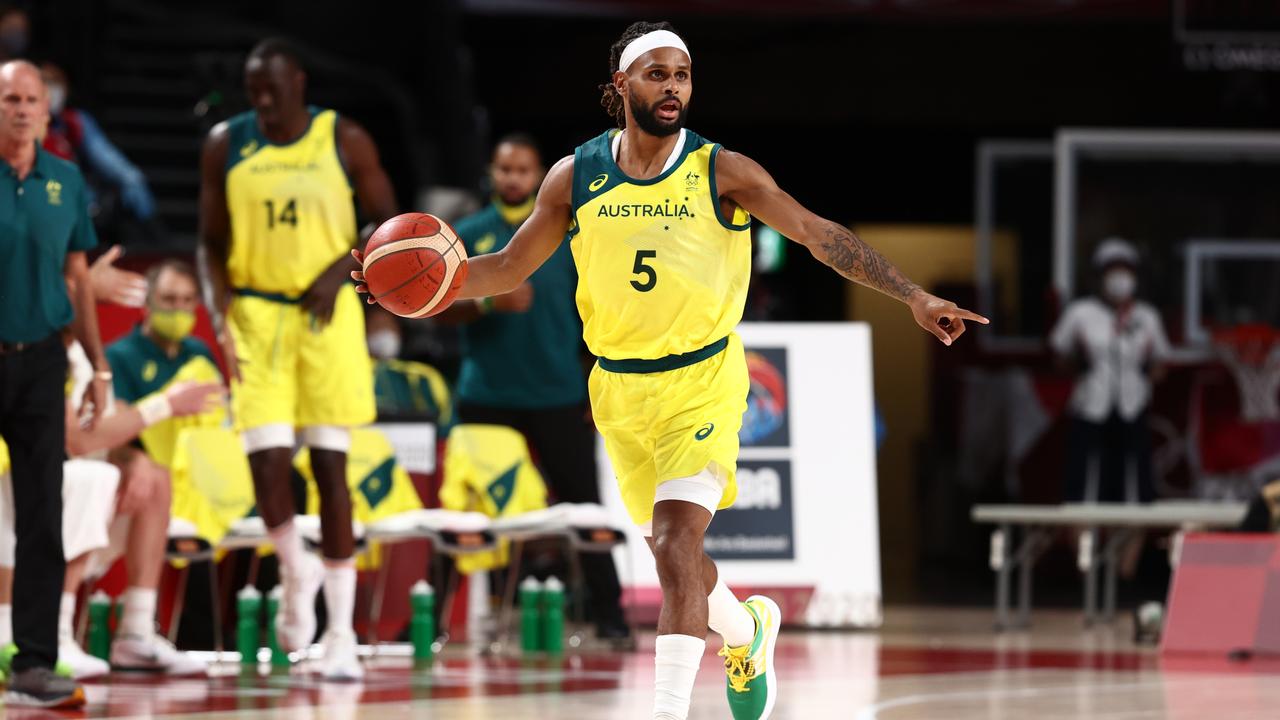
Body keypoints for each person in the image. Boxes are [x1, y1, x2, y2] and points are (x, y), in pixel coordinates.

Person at [354, 22, 985, 720]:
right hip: (618, 388)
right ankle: (747, 631)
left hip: (702, 380)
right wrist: (408, 291)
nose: (674, 87)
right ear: (621, 85)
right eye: (657, 74)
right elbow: (504, 268)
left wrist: (913, 295)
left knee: (679, 540)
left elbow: (817, 234)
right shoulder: (576, 175)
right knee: (669, 552)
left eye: (683, 74)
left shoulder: (723, 171)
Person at [196, 37, 397, 680]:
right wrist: (217, 302)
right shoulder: (227, 144)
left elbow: (389, 225)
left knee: (332, 472)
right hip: (255, 317)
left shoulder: (345, 139)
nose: (263, 101)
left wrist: (344, 268)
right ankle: (293, 563)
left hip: (326, 318)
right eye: (253, 90)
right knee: (267, 462)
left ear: (299, 84)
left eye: (273, 89)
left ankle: (339, 633)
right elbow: (209, 242)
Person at [435, 133, 629, 640]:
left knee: (585, 508)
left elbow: (598, 314)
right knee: (463, 511)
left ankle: (610, 617)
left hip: (558, 393)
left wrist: (596, 383)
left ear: (540, 174)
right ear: (491, 174)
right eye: (505, 169)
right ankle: (430, 621)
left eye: (523, 169)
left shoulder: (567, 234)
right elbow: (435, 308)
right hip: (485, 397)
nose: (513, 178)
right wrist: (486, 303)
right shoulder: (468, 233)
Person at [0, 333, 221, 680]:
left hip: (52, 485)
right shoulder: (31, 344)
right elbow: (76, 437)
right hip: (16, 477)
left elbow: (104, 430)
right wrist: (166, 404)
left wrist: (133, 457)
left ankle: (136, 630)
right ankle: (52, 633)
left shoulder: (88, 355)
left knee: (153, 478)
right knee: (93, 479)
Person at [0, 58, 110, 709]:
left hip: (42, 359)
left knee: (44, 512)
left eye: (29, 98)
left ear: (47, 110)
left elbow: (78, 278)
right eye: (8, 97)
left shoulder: (65, 180)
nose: (18, 107)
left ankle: (35, 662)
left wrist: (96, 367)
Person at [1050, 238, 1169, 504]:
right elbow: (1057, 355)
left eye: (1125, 270)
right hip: (1090, 407)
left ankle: (1126, 545)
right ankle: (1084, 544)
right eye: (1112, 270)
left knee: (1135, 488)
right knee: (1083, 486)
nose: (1119, 278)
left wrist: (1147, 375)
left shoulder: (1147, 316)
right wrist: (1077, 365)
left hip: (1132, 407)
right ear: (1099, 276)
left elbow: (1161, 363)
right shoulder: (1080, 313)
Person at [40, 62, 156, 224]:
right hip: (34, 201)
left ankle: (151, 228)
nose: (52, 93)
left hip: (75, 202)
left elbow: (110, 162)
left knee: (131, 180)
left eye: (56, 85)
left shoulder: (75, 122)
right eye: (46, 85)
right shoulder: (22, 126)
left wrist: (133, 180)